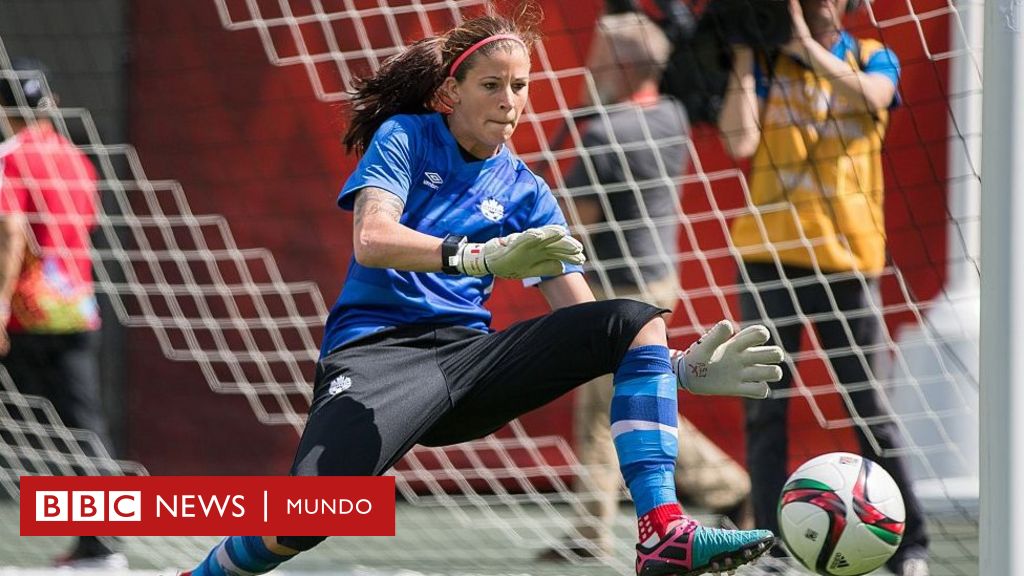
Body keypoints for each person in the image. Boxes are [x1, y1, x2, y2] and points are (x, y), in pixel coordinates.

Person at [183, 7, 786, 576]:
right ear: (452, 92)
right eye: (492, 85)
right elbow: (372, 238)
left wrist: (678, 367)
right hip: (380, 355)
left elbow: (582, 318)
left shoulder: (528, 193)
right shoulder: (407, 137)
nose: (509, 101)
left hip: (469, 366)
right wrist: (477, 255)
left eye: (520, 87)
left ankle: (662, 533)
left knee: (629, 320)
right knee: (304, 518)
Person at [716, 0, 929, 574]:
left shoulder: (872, 56)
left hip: (846, 257)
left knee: (867, 406)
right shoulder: (764, 65)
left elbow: (876, 96)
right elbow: (739, 140)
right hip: (768, 256)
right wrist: (742, 50)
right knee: (764, 408)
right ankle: (769, 545)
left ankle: (909, 544)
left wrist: (805, 47)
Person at [541, 11, 752, 562]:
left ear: (623, 65)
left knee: (614, 406)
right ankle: (719, 490)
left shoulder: (604, 134)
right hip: (659, 275)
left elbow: (569, 228)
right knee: (634, 398)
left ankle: (723, 488)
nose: (591, 64)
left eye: (601, 56)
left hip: (616, 286)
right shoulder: (672, 115)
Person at [0, 58, 127, 569]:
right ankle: (101, 546)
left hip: (25, 315)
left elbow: (12, 233)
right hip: (76, 309)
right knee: (84, 430)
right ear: (48, 102)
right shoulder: (78, 160)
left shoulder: (9, 157)